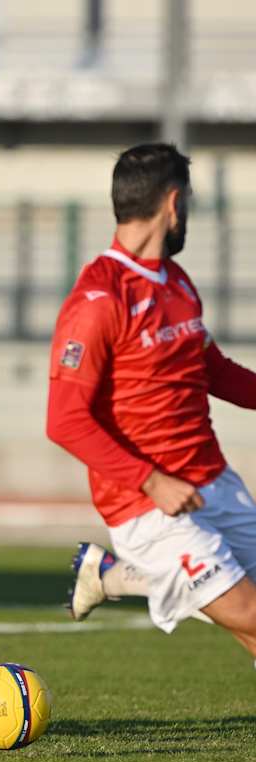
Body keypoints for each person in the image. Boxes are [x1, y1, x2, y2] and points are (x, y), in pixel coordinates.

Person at [46, 142, 256, 661]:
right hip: (147, 505)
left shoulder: (178, 284)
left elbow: (212, 371)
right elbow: (65, 421)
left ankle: (110, 576)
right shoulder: (98, 300)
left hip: (214, 484)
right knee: (251, 615)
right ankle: (121, 572)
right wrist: (152, 481)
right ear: (173, 203)